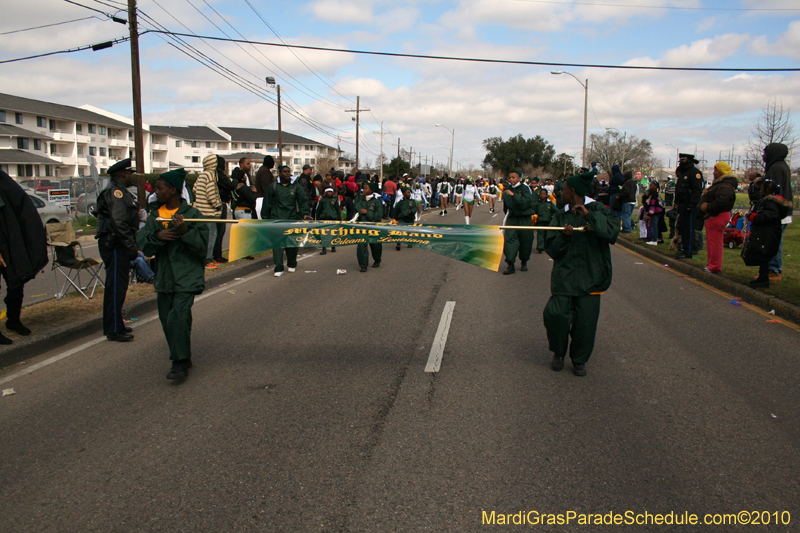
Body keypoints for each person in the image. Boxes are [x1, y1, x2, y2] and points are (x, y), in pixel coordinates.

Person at [543, 171, 620, 377]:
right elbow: (552, 249)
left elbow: (611, 233)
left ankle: (579, 359)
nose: (561, 193)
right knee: (555, 316)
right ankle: (558, 352)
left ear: (573, 191)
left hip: (591, 278)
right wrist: (565, 237)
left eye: (564, 190)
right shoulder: (560, 215)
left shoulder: (599, 210)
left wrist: (589, 216)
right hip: (564, 278)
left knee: (585, 324)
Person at [137, 169, 209, 380]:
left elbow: (202, 249)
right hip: (165, 277)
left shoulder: (193, 215)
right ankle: (183, 355)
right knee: (167, 318)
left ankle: (179, 363)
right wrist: (157, 235)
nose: (156, 192)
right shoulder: (155, 216)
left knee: (178, 316)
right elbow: (144, 245)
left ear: (173, 190)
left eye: (160, 188)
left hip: (187, 276)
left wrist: (186, 232)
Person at [95, 158, 140, 342]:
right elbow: (119, 222)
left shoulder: (119, 191)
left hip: (117, 243)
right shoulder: (116, 193)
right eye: (130, 173)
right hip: (115, 244)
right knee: (116, 288)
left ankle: (114, 324)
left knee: (118, 287)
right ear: (123, 174)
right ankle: (114, 329)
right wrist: (131, 246)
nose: (132, 177)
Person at [0, 170, 48, 344]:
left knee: (16, 281)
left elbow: (20, 208)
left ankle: (13, 320)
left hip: (10, 243)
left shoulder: (4, 181)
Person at [261, 165, 313, 276]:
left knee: (292, 243)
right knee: (277, 245)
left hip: (292, 218)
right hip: (277, 219)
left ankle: (292, 263)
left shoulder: (296, 186)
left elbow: (303, 200)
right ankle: (279, 267)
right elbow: (267, 203)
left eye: (288, 171)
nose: (287, 173)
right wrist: (265, 218)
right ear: (280, 173)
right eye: (284, 171)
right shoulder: (273, 186)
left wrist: (305, 214)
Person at [744, 178, 791, 289]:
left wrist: (753, 216)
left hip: (768, 234)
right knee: (763, 256)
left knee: (764, 257)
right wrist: (755, 187)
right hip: (767, 233)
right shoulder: (772, 203)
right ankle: (762, 277)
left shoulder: (771, 204)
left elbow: (767, 216)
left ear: (766, 191)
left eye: (761, 189)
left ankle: (764, 279)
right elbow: (756, 199)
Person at [700, 161, 738, 273]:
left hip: (717, 215)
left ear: (722, 172)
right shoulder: (721, 184)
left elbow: (721, 202)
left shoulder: (724, 186)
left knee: (715, 241)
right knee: (711, 240)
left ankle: (714, 265)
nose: (714, 172)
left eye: (716, 170)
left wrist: (707, 207)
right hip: (714, 215)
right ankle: (711, 263)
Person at [763, 143, 793, 283]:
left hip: (777, 211)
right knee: (775, 240)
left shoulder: (775, 168)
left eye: (765, 153)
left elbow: (772, 190)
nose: (763, 156)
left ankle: (774, 270)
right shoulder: (783, 166)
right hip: (783, 211)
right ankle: (772, 269)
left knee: (774, 241)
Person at [192, 154, 223, 268]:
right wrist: (217, 205)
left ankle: (205, 258)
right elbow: (211, 194)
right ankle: (208, 260)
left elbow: (194, 189)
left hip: (200, 211)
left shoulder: (201, 175)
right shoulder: (210, 175)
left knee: (203, 236)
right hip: (209, 212)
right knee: (211, 236)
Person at [502, 170, 535, 274]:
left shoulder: (525, 189)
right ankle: (510, 264)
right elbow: (506, 206)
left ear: (519, 178)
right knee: (509, 240)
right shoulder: (507, 189)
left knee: (526, 240)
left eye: (513, 177)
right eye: (510, 177)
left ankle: (524, 261)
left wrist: (513, 195)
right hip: (512, 218)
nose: (511, 179)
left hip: (524, 218)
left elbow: (524, 203)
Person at [674, 153, 704, 259]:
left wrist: (692, 204)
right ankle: (684, 248)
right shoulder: (684, 173)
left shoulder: (695, 173)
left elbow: (697, 190)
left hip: (689, 204)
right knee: (682, 228)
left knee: (689, 229)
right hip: (682, 204)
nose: (681, 163)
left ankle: (688, 251)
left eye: (683, 160)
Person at [355, 181, 383, 272]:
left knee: (375, 246)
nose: (364, 190)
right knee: (361, 246)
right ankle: (363, 265)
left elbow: (378, 216)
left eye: (366, 188)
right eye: (363, 188)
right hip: (362, 227)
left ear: (371, 190)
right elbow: (356, 209)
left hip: (373, 228)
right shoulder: (361, 201)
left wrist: (367, 212)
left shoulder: (376, 202)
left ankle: (377, 259)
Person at [315, 186, 342, 255]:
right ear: (326, 192)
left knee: (333, 233)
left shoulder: (334, 200)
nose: (329, 193)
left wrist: (339, 219)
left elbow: (337, 210)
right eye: (328, 192)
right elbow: (319, 210)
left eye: (331, 192)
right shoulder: (322, 200)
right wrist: (317, 218)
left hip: (333, 218)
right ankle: (324, 249)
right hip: (324, 218)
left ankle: (333, 246)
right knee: (324, 234)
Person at [534, 187, 557, 254]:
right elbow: (533, 211)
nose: (542, 195)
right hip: (540, 221)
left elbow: (556, 211)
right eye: (541, 194)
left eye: (544, 194)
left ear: (546, 195)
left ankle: (546, 246)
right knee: (540, 234)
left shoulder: (549, 203)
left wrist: (553, 215)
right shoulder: (537, 203)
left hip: (548, 221)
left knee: (547, 234)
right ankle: (540, 246)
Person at [642, 181, 664, 245]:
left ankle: (654, 240)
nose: (650, 186)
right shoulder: (651, 194)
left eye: (651, 185)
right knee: (655, 225)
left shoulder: (654, 194)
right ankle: (657, 238)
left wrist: (649, 214)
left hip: (655, 212)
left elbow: (652, 205)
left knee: (654, 226)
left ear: (655, 187)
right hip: (656, 211)